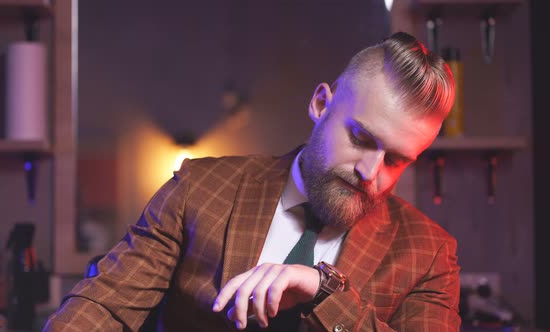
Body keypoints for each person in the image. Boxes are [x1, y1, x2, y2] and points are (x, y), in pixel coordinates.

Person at [44, 31, 460, 331]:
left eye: (396, 160)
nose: (370, 172)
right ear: (321, 104)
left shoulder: (428, 255)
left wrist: (324, 292)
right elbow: (104, 307)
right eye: (360, 138)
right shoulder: (198, 188)